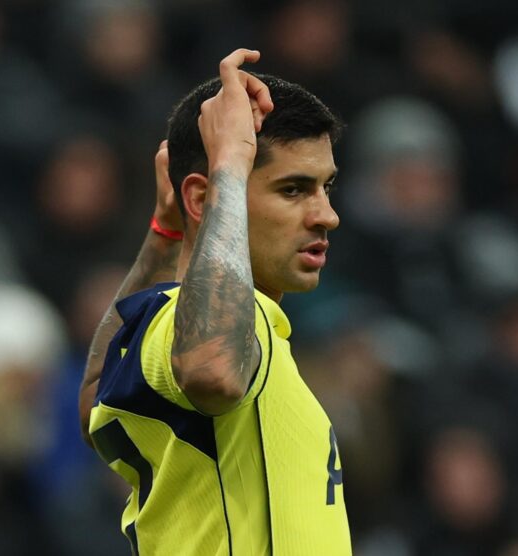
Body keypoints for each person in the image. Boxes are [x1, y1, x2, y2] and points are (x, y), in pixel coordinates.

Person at [78, 49, 351, 555]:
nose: (326, 215)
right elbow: (213, 370)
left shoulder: (181, 326)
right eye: (294, 190)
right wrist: (228, 163)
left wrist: (166, 231)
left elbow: (94, 400)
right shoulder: (209, 333)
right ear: (205, 197)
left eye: (326, 187)